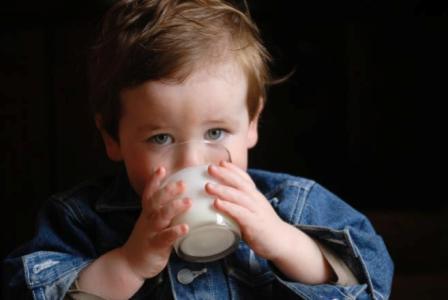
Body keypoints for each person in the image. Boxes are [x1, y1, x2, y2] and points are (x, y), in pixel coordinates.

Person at [2, 0, 394, 299]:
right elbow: (25, 288)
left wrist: (283, 242)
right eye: (161, 138)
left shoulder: (290, 203)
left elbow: (373, 275)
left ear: (252, 123)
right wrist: (128, 263)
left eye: (216, 132)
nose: (192, 162)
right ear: (112, 138)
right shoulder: (79, 220)